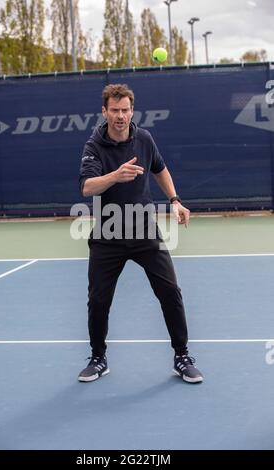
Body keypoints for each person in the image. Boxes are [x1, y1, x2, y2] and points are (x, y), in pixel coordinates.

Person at [78, 83, 203, 384]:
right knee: (98, 300)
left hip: (145, 231)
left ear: (132, 110)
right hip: (108, 233)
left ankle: (182, 356)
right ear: (104, 111)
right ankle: (98, 358)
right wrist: (115, 175)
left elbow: (160, 168)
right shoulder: (94, 145)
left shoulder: (144, 139)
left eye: (125, 110)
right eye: (114, 110)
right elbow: (87, 187)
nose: (120, 116)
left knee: (170, 292)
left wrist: (175, 200)